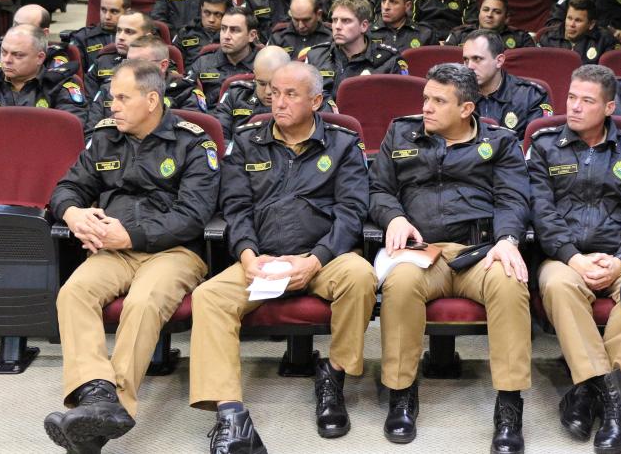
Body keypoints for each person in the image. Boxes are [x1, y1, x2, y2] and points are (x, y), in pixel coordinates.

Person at [191, 62, 376, 453]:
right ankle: (230, 414)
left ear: (316, 101)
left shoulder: (342, 144)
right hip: (261, 258)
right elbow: (236, 207)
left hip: (324, 257)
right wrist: (246, 255)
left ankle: (334, 377)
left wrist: (317, 258)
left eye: (291, 94)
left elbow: (351, 211)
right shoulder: (246, 141)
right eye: (274, 92)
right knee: (209, 296)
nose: (279, 102)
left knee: (360, 276)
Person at [43, 59, 220, 454]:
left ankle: (110, 407)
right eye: (111, 99)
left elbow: (194, 216)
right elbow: (65, 188)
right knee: (74, 293)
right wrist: (73, 213)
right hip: (113, 251)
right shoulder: (105, 138)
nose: (112, 106)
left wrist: (132, 235)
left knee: (141, 303)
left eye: (122, 98)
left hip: (173, 252)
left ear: (152, 100)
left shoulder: (193, 143)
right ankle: (98, 398)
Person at [370, 63, 531, 453]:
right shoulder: (400, 133)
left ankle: (509, 404)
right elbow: (377, 188)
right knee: (401, 284)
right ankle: (402, 393)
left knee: (511, 286)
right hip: (424, 250)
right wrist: (394, 217)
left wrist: (509, 240)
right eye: (425, 98)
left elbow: (513, 197)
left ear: (466, 109)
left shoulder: (501, 142)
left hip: (481, 251)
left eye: (438, 101)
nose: (426, 107)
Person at [528, 64, 621, 454]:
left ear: (609, 107)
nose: (573, 107)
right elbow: (540, 210)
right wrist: (572, 258)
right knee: (557, 285)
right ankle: (614, 402)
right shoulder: (544, 146)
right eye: (571, 97)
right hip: (563, 257)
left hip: (620, 256)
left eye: (586, 100)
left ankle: (585, 394)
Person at [0, 24, 87, 184]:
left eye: (18, 55)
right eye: (4, 53)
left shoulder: (61, 87)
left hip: (37, 180)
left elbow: (70, 139)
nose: (7, 60)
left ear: (40, 57)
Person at [214, 45, 337, 142]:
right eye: (261, 83)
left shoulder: (310, 98)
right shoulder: (236, 95)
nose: (268, 92)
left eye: (274, 86)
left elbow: (329, 140)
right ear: (255, 74)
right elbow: (218, 137)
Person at [88, 35, 206, 132]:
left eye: (139, 63)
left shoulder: (186, 92)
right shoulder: (111, 88)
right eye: (128, 62)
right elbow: (91, 132)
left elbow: (187, 138)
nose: (131, 69)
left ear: (163, 65)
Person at [302, 0, 406, 99]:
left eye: (346, 21)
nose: (337, 26)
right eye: (334, 20)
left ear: (363, 26)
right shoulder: (316, 56)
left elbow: (398, 104)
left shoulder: (389, 60)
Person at [463, 29, 553, 136]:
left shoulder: (532, 96)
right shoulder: (459, 94)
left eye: (477, 59)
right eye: (466, 60)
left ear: (499, 61)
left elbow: (539, 144)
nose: (469, 67)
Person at [187, 6, 260, 110]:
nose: (226, 36)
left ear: (252, 35)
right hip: (210, 120)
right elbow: (187, 101)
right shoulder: (203, 63)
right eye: (223, 29)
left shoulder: (263, 66)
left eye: (234, 30)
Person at [84, 11, 157, 99]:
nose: (120, 37)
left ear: (147, 37)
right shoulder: (102, 61)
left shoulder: (158, 63)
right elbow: (88, 101)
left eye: (129, 32)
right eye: (118, 31)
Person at [0, 4, 71, 74]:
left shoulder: (54, 56)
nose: (17, 31)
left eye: (25, 28)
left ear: (44, 33)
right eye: (15, 25)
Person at [537, 0, 620, 65]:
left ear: (591, 24)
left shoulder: (604, 41)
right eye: (569, 18)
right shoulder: (548, 38)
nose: (571, 24)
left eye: (578, 20)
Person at [443, 0, 535, 49]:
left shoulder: (522, 38)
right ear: (479, 13)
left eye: (497, 12)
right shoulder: (459, 34)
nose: (489, 15)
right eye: (486, 10)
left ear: (507, 18)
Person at [67, 0, 130, 71]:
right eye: (103, 10)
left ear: (127, 12)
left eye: (114, 11)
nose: (107, 17)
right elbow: (75, 74)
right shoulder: (83, 38)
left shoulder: (137, 36)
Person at [369, 0, 435, 53]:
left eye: (393, 2)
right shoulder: (367, 32)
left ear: (407, 6)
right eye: (383, 1)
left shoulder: (425, 34)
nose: (386, 7)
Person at [268, 0, 332, 59]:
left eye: (306, 20)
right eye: (296, 20)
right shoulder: (279, 36)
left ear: (318, 15)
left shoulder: (332, 36)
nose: (301, 26)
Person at [173, 0, 229, 67]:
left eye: (218, 14)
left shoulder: (232, 35)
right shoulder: (185, 32)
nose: (211, 20)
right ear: (201, 9)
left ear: (227, 13)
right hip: (191, 76)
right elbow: (172, 60)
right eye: (207, 13)